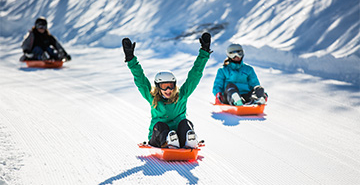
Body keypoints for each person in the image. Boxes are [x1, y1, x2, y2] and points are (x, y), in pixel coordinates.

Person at [122, 32, 211, 149]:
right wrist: (131, 59)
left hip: (179, 135)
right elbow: (141, 80)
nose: (168, 90)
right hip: (158, 137)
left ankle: (188, 140)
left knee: (185, 123)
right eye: (164, 86)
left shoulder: (181, 96)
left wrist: (204, 52)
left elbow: (194, 76)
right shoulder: (153, 98)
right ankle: (168, 142)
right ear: (158, 87)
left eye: (171, 85)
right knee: (161, 126)